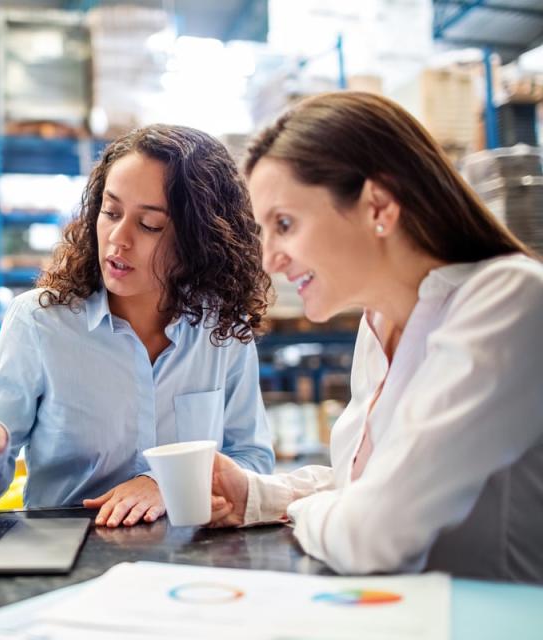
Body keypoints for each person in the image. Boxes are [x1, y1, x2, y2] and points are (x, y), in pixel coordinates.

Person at [207, 91, 543, 582]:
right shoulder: (379, 323)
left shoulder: (507, 299)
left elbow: (371, 534)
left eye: (284, 224)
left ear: (378, 206)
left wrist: (301, 512)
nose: (270, 260)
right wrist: (258, 496)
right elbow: (370, 483)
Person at [0, 124, 275, 527]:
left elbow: (253, 460)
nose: (119, 239)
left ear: (199, 239)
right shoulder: (39, 322)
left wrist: (163, 483)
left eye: (150, 225)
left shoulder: (222, 329)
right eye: (111, 211)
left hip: (189, 559)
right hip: (69, 557)